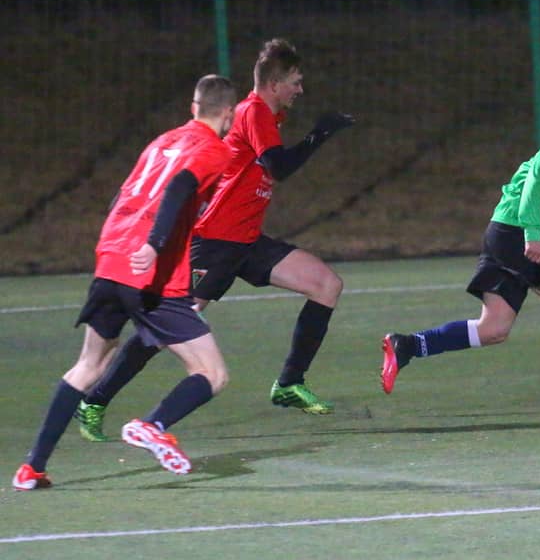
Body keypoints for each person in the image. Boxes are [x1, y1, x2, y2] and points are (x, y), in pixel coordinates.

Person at [74, 38, 355, 442]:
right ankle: (95, 401)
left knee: (326, 285)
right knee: (163, 329)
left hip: (247, 240)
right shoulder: (254, 111)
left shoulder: (268, 116)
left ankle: (289, 383)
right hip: (215, 241)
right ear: (274, 84)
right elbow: (278, 167)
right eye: (295, 81)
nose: (300, 89)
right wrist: (319, 134)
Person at [12, 75, 238, 489]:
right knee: (212, 373)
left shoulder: (161, 142)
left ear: (193, 108)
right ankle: (152, 425)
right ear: (228, 113)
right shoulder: (214, 150)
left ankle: (32, 468)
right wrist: (154, 244)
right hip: (150, 274)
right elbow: (180, 186)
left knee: (88, 366)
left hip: (111, 260)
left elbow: (123, 196)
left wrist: (122, 245)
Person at [381, 89, 540, 411]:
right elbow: (535, 182)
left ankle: (406, 345)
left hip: (508, 231)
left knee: (493, 329)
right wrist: (533, 236)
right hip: (516, 229)